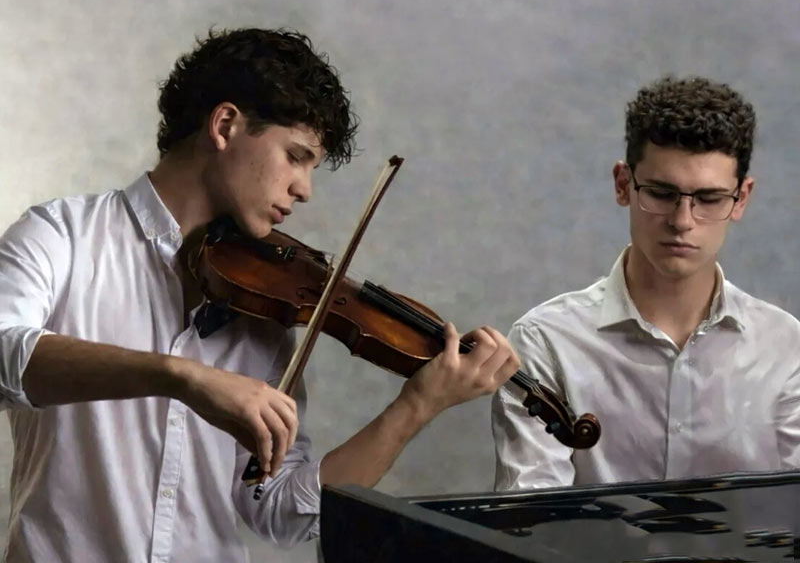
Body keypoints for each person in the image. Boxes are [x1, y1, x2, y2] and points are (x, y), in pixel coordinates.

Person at [0, 28, 520, 562]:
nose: (304, 189)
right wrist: (183, 376)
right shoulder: (60, 235)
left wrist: (417, 405)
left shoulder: (264, 304)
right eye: (295, 157)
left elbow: (281, 510)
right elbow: (5, 354)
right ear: (225, 125)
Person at [492, 75, 800, 491]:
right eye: (660, 193)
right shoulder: (546, 342)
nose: (682, 221)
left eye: (709, 199)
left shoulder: (786, 348)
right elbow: (528, 532)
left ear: (741, 198)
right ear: (623, 184)